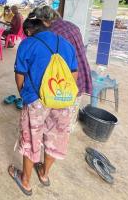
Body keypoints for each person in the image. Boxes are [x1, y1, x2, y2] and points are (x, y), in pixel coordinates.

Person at [8, 14, 78, 196]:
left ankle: (25, 181)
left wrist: (24, 94)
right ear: (46, 26)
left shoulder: (28, 44)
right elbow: (74, 75)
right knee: (56, 137)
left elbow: (20, 74)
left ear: (29, 31)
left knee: (32, 138)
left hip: (37, 101)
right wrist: (62, 95)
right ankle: (44, 174)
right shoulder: (66, 44)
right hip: (63, 99)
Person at [33, 5, 92, 96]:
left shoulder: (51, 33)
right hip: (81, 73)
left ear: (43, 20)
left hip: (67, 78)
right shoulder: (72, 25)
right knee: (72, 106)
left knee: (60, 105)